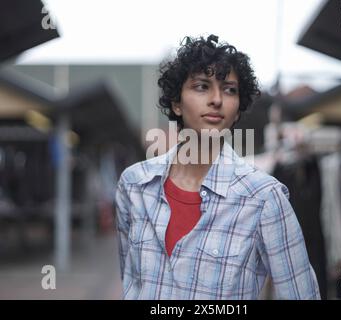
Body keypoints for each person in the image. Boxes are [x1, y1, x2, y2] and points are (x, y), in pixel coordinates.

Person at [115, 34, 320, 300]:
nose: (216, 99)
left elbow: (301, 294)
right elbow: (131, 282)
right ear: (176, 103)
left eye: (229, 89)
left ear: (237, 110)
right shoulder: (134, 185)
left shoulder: (264, 197)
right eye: (201, 86)